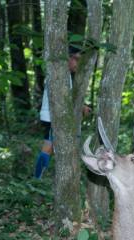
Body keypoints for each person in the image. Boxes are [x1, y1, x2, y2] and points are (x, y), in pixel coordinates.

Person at [34, 47, 89, 179]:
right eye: (76, 59)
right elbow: (61, 99)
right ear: (68, 58)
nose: (78, 63)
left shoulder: (65, 75)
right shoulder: (59, 74)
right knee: (49, 147)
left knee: (50, 147)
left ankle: (38, 178)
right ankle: (37, 179)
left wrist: (80, 107)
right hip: (52, 117)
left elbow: (66, 98)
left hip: (55, 117)